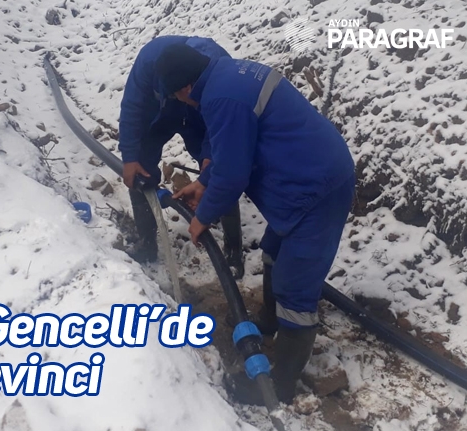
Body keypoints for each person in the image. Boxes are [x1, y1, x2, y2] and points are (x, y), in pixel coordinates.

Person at [154, 43, 355, 404]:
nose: (182, 103)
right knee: (273, 250)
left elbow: (233, 174)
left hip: (318, 189)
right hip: (304, 178)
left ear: (185, 87)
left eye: (177, 96)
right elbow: (234, 149)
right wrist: (203, 182)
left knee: (295, 285)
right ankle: (272, 320)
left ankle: (280, 385)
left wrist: (202, 217)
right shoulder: (226, 76)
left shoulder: (220, 99)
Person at [119, 35, 245, 277]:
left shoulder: (217, 67)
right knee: (140, 168)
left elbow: (221, 126)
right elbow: (133, 106)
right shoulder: (148, 61)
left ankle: (233, 251)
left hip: (200, 115)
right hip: (161, 114)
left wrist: (209, 159)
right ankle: (147, 244)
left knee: (219, 170)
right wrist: (130, 156)